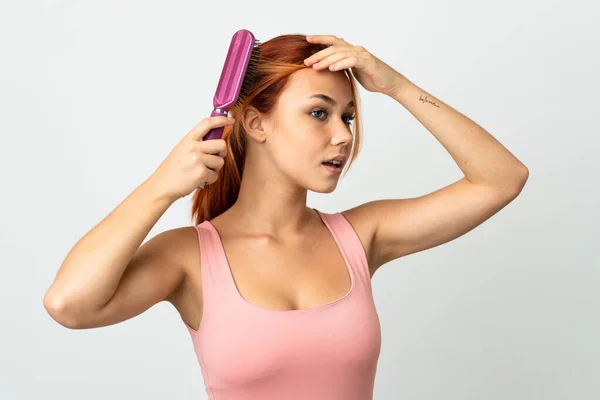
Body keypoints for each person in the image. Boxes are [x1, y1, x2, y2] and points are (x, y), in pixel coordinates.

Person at [43, 33, 529, 399]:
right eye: (319, 113)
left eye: (348, 117)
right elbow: (69, 304)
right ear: (256, 123)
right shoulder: (190, 257)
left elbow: (501, 178)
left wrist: (396, 85)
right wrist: (160, 188)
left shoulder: (361, 236)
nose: (343, 136)